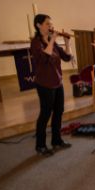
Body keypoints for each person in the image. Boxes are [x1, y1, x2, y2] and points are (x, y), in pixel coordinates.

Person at [31, 14, 73, 156]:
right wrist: (53, 38)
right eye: (47, 24)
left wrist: (67, 43)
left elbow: (67, 58)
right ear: (38, 25)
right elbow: (44, 58)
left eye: (51, 24)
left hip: (57, 81)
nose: (50, 26)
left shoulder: (51, 41)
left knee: (58, 111)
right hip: (44, 83)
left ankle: (57, 140)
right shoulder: (36, 42)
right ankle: (40, 145)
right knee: (45, 114)